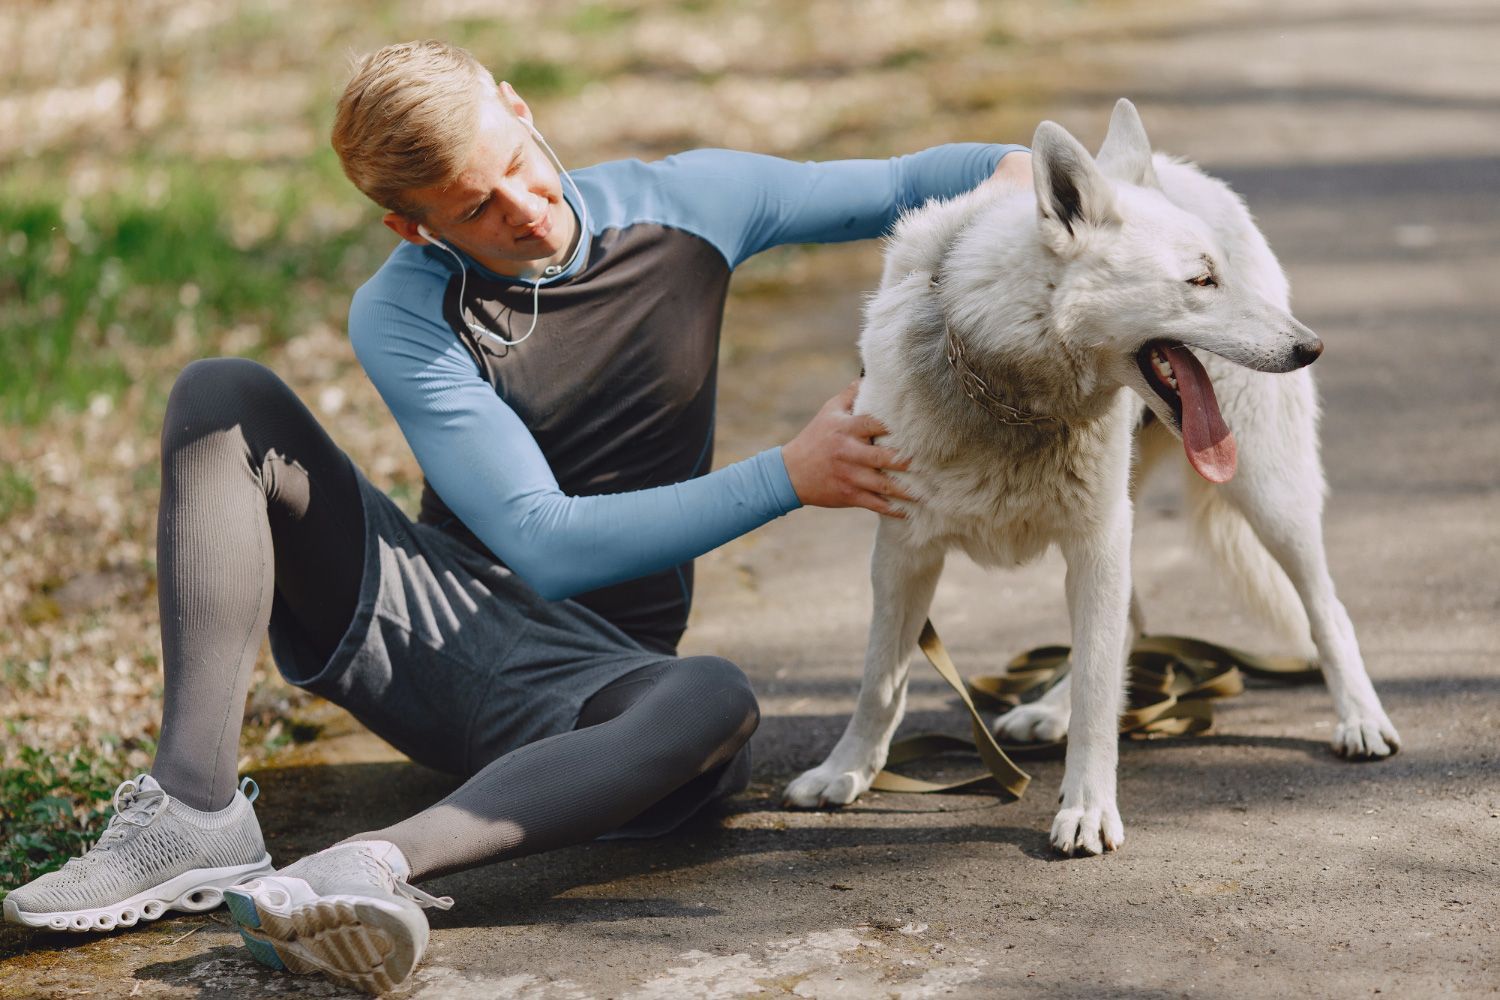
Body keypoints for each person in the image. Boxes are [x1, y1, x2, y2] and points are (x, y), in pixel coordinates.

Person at [2, 40, 1030, 994]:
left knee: (712, 699)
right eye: (477, 209)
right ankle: (192, 812)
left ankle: (367, 865)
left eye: (520, 167)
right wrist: (787, 475)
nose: (528, 212)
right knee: (223, 393)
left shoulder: (693, 202)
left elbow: (919, 180)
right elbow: (544, 542)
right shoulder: (405, 310)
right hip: (440, 631)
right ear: (414, 226)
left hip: (596, 684)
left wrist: (1024, 175)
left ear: (519, 106)